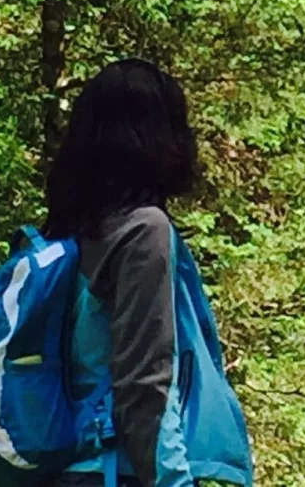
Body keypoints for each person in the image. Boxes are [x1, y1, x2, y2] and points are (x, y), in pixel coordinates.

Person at [44, 58, 253, 487]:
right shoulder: (143, 231)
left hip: (70, 469)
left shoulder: (72, 230)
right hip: (116, 471)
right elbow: (144, 385)